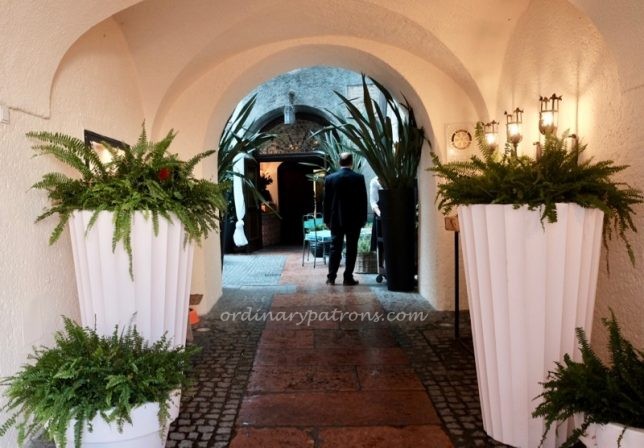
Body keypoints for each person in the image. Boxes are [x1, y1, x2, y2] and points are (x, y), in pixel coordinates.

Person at [323, 153, 367, 285]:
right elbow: (363, 200)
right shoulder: (358, 178)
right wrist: (363, 219)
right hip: (354, 220)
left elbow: (326, 202)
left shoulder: (330, 178)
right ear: (352, 162)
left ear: (339, 162)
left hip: (336, 219)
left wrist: (326, 220)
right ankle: (348, 277)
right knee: (351, 249)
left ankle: (331, 278)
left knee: (334, 248)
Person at [369, 176, 385, 271]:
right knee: (381, 244)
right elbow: (373, 202)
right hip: (381, 214)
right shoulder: (374, 181)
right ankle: (381, 269)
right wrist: (380, 214)